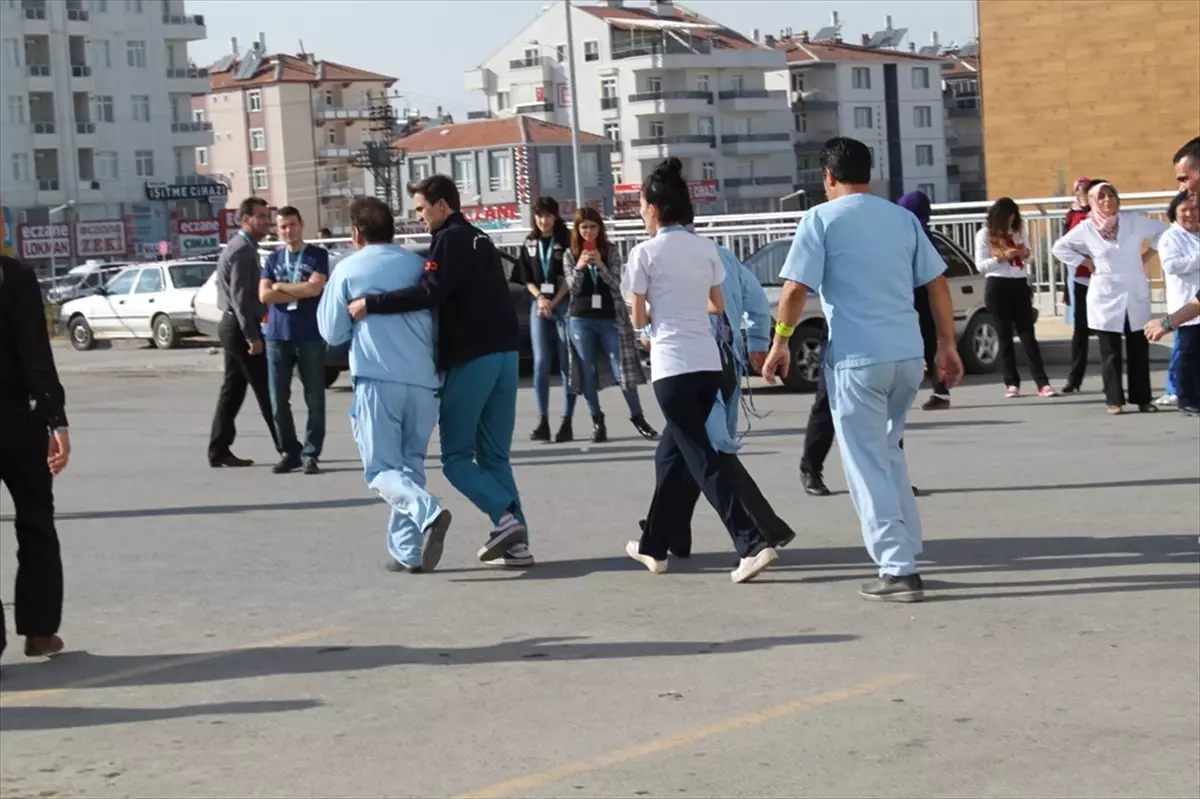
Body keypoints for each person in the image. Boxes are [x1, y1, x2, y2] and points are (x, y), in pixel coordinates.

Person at [761, 137, 963, 603]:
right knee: (890, 451)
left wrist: (780, 343)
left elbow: (794, 290)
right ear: (868, 175)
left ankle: (897, 568)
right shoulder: (903, 218)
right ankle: (908, 547)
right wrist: (947, 346)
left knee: (865, 461)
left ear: (827, 178)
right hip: (907, 354)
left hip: (857, 358)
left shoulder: (820, 218)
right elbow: (936, 283)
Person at [348, 175, 532, 568]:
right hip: (507, 356)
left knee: (457, 458)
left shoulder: (448, 240)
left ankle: (505, 518)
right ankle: (518, 544)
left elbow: (429, 291)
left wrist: (371, 303)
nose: (419, 217)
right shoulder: (481, 237)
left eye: (420, 208)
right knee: (495, 456)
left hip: (474, 358)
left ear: (442, 205)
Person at [623, 157, 779, 584]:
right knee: (672, 453)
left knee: (701, 458)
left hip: (671, 368)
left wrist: (657, 308)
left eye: (639, 206)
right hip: (709, 365)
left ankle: (750, 543)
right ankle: (654, 545)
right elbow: (717, 305)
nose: (639, 212)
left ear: (653, 208)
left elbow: (639, 321)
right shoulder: (707, 249)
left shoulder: (643, 254)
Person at [635, 234, 797, 560]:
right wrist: (756, 342)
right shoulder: (721, 255)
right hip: (724, 363)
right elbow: (754, 299)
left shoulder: (661, 258)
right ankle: (668, 534)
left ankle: (759, 532)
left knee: (705, 452)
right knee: (688, 450)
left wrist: (650, 334)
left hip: (689, 363)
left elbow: (657, 314)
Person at [317, 197, 452, 573]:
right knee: (410, 465)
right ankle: (408, 551)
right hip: (424, 380)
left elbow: (330, 330)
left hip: (378, 379)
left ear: (356, 233)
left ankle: (429, 513)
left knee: (380, 470)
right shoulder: (417, 264)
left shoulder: (348, 269)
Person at [0, 254, 70, 660]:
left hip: (19, 417)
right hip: (19, 419)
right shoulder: (16, 275)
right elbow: (35, 352)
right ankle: (40, 630)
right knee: (36, 522)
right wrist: (55, 421)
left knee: (37, 519)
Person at [1052, 180, 1167, 415]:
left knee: (1138, 348)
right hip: (1106, 295)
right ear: (1093, 201)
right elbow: (1059, 248)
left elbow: (1162, 231)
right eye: (1101, 196)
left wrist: (1148, 255)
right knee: (1110, 351)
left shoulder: (1133, 221)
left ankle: (1142, 399)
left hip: (1134, 291)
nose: (1107, 200)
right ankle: (1114, 399)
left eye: (1111, 195)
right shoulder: (1086, 228)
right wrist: (1085, 262)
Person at [562, 207, 657, 442]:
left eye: (593, 226)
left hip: (608, 317)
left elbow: (617, 283)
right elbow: (571, 289)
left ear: (600, 228)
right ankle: (597, 419)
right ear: (577, 229)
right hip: (580, 318)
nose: (589, 232)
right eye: (584, 227)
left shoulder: (610, 250)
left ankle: (638, 416)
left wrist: (601, 266)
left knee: (621, 366)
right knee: (586, 370)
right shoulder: (569, 253)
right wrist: (580, 267)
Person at [208, 196, 280, 467]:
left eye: (267, 216)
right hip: (239, 328)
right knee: (265, 388)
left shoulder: (243, 247)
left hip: (233, 325)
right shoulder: (242, 250)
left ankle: (218, 449)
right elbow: (239, 298)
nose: (266, 221)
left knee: (233, 390)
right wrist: (252, 335)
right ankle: (287, 447)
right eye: (260, 216)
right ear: (245, 219)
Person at [259, 206, 330, 475]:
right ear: (277, 230)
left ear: (302, 225)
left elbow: (315, 287)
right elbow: (264, 296)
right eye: (283, 226)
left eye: (292, 224)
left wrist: (280, 287)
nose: (288, 230)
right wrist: (295, 291)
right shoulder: (272, 259)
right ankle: (290, 451)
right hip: (277, 336)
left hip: (310, 334)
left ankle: (311, 453)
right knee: (278, 400)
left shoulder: (317, 255)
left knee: (314, 398)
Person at [975, 198, 1057, 399]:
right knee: (1004, 336)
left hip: (1019, 282)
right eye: (1008, 217)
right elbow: (981, 266)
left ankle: (1042, 382)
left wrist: (1024, 252)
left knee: (1028, 334)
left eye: (1014, 217)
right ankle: (1011, 382)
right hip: (998, 284)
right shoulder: (985, 234)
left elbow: (1029, 257)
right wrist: (1001, 257)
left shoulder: (1020, 231)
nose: (1012, 222)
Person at [517, 198, 576, 443]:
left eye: (548, 215)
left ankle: (567, 421)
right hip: (540, 306)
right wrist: (541, 298)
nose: (543, 220)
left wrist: (555, 300)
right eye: (539, 216)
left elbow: (571, 276)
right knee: (540, 362)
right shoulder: (530, 242)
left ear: (555, 216)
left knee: (566, 364)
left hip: (563, 304)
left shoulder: (567, 240)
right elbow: (525, 277)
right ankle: (543, 420)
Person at [898, 191, 951, 411]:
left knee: (904, 347)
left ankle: (899, 394)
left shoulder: (905, 235)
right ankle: (941, 391)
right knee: (929, 345)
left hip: (909, 297)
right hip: (928, 298)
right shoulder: (927, 235)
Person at [1152, 191, 1200, 415]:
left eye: (1194, 209)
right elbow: (1172, 265)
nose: (1190, 214)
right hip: (1186, 305)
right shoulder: (1171, 237)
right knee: (1187, 354)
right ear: (1174, 214)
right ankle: (1185, 397)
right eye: (1184, 210)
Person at [1061, 177, 1094, 394]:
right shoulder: (1071, 215)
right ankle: (1074, 379)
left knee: (1112, 329)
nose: (1081, 192)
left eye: (1085, 189)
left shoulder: (1101, 213)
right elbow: (1064, 246)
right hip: (1081, 276)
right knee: (1080, 330)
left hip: (1105, 277)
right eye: (1078, 189)